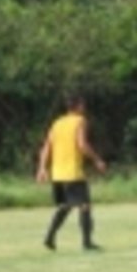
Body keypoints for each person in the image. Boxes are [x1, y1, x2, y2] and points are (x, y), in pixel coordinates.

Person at [36, 94, 108, 251]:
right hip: (73, 172)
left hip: (57, 173)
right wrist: (97, 160)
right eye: (83, 105)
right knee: (85, 206)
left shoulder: (57, 123)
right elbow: (82, 145)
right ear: (77, 106)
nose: (85, 108)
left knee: (65, 206)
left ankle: (49, 237)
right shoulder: (80, 121)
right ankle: (87, 243)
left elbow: (47, 147)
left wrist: (42, 168)